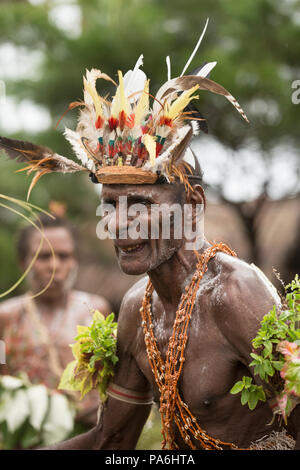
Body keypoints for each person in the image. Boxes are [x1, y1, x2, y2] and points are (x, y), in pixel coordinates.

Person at [0, 33, 299, 450]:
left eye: (139, 204)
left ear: (192, 204)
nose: (119, 224)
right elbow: (112, 440)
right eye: (110, 204)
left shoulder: (234, 294)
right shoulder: (135, 309)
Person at [0, 213, 111, 430]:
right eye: (43, 256)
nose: (54, 266)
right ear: (24, 262)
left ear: (75, 261)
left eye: (63, 256)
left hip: (88, 435)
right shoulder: (5, 317)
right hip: (26, 436)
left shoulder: (95, 310)